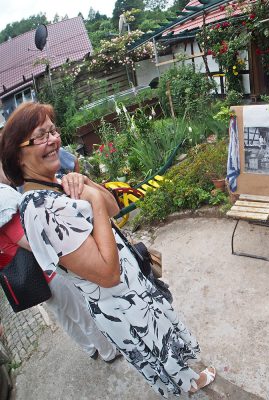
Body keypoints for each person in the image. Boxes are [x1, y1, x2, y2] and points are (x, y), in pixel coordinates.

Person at [0, 102, 215, 397]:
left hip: (134, 292)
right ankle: (186, 388)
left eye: (52, 130)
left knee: (167, 345)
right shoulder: (40, 209)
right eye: (40, 136)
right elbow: (108, 273)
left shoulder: (56, 184)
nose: (52, 140)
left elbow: (114, 208)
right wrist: (94, 202)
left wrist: (86, 182)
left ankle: (188, 381)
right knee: (161, 359)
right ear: (18, 155)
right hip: (121, 305)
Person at [0, 165, 120, 363]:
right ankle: (108, 351)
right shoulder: (4, 202)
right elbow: (30, 243)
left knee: (64, 315)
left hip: (36, 277)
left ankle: (89, 348)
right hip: (47, 272)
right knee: (80, 311)